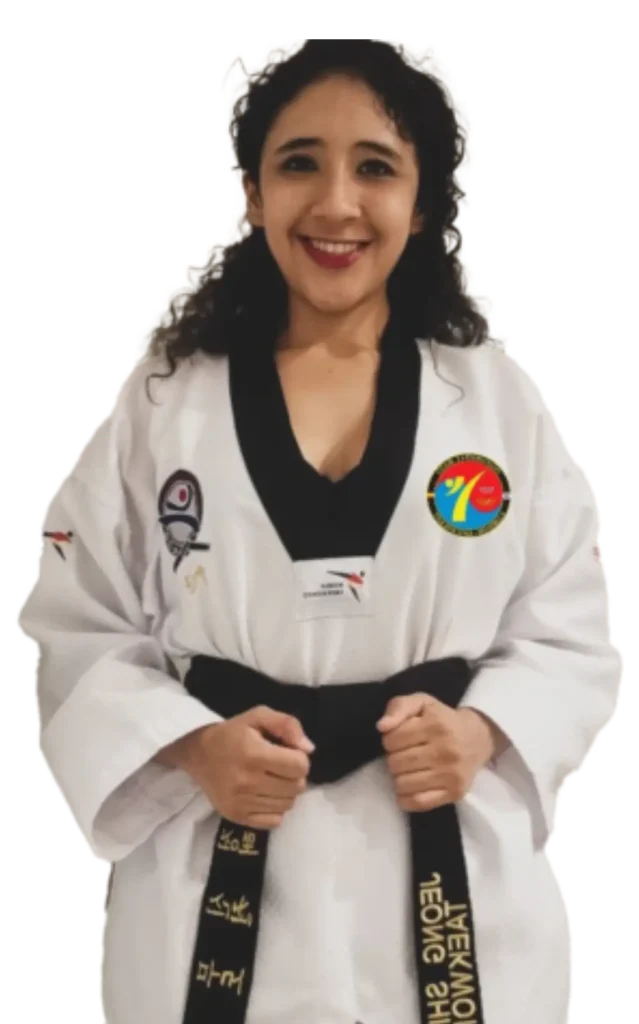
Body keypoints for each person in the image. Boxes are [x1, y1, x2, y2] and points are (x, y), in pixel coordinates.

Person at [19, 37, 621, 1024]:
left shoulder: (498, 402)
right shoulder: (163, 401)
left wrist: (479, 731)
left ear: (420, 206)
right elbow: (74, 621)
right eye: (300, 162)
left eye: (375, 167)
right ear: (254, 192)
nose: (337, 204)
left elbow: (571, 628)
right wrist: (193, 745)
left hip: (447, 862)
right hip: (219, 853)